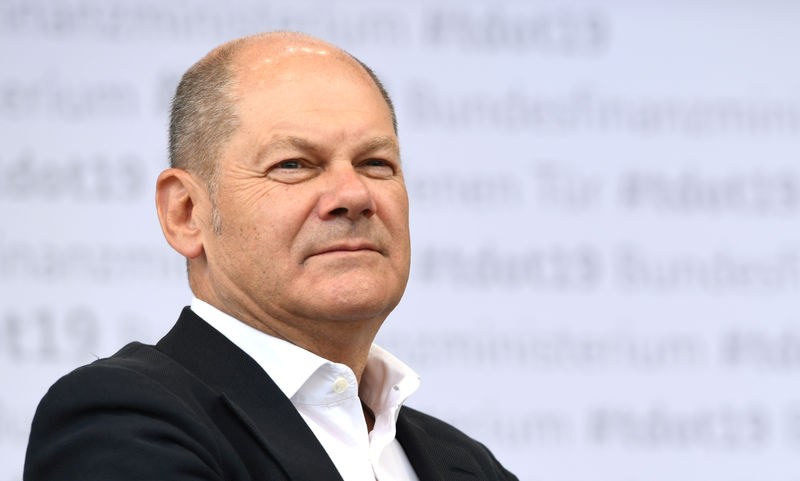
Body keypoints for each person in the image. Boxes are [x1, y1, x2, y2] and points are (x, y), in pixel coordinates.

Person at [24, 31, 518, 481]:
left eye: (376, 163)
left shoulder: (467, 464)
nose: (354, 194)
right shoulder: (120, 422)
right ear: (187, 212)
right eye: (294, 164)